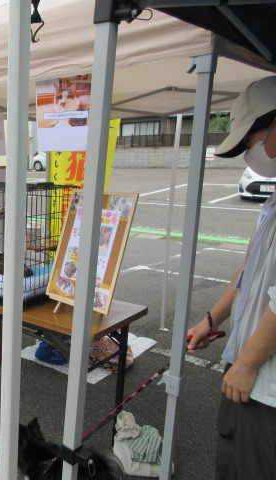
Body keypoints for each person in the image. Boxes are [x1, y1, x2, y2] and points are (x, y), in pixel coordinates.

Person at [187, 75, 276, 480]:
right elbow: (250, 267)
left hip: (265, 384)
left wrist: (248, 362)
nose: (249, 155)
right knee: (231, 460)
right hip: (245, 370)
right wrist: (213, 318)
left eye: (250, 141)